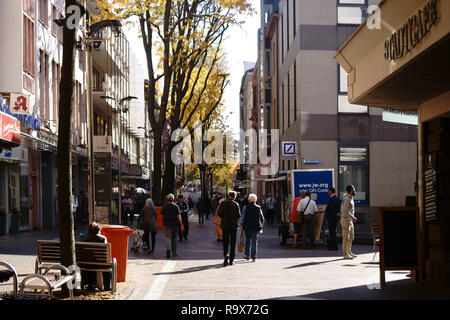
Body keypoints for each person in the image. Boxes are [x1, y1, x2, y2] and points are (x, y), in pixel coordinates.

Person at [81, 222, 111, 291]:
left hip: (88, 265)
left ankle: (91, 285)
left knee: (91, 262)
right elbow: (106, 253)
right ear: (98, 230)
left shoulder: (85, 239)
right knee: (109, 265)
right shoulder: (103, 239)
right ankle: (106, 286)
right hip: (101, 264)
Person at [217, 191, 241, 266]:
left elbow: (219, 214)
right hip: (233, 226)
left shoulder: (223, 203)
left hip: (225, 226)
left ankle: (225, 255)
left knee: (225, 242)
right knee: (233, 243)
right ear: (234, 197)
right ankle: (231, 260)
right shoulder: (236, 204)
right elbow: (238, 215)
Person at [240, 194, 265, 262]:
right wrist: (261, 226)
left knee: (247, 241)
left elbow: (243, 218)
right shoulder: (258, 207)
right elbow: (262, 219)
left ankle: (246, 255)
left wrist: (241, 226)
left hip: (247, 227)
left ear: (249, 199)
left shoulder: (245, 207)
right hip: (255, 227)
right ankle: (253, 257)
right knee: (254, 242)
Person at [341, 185, 357, 259]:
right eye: (354, 189)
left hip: (349, 220)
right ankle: (345, 254)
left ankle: (349, 252)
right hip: (345, 219)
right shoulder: (347, 199)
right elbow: (345, 210)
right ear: (351, 190)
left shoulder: (350, 198)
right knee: (346, 237)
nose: (354, 190)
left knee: (351, 237)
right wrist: (353, 217)